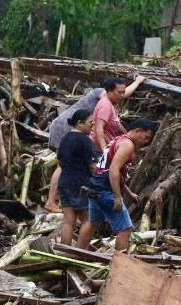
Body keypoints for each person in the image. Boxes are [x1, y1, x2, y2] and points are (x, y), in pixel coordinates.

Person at [44, 76, 145, 212]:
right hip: (66, 127)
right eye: (118, 92)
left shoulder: (111, 105)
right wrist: (138, 82)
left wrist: (126, 134)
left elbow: (115, 121)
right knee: (63, 165)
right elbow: (99, 128)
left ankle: (65, 202)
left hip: (73, 125)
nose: (121, 95)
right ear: (108, 90)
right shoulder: (103, 98)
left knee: (69, 166)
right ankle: (51, 201)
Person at [85, 119, 157, 252]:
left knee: (93, 223)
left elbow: (108, 169)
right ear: (137, 131)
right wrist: (118, 197)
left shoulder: (117, 140)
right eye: (146, 137)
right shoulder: (127, 145)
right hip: (105, 190)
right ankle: (119, 264)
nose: (146, 141)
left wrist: (129, 193)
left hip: (94, 186)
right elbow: (113, 170)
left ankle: (76, 254)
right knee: (125, 229)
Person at [55, 109, 96, 247]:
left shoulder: (65, 139)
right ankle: (79, 252)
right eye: (90, 122)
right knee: (88, 220)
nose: (93, 125)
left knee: (68, 221)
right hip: (81, 184)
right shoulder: (85, 141)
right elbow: (92, 166)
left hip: (64, 181)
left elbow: (60, 162)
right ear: (80, 123)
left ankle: (64, 251)